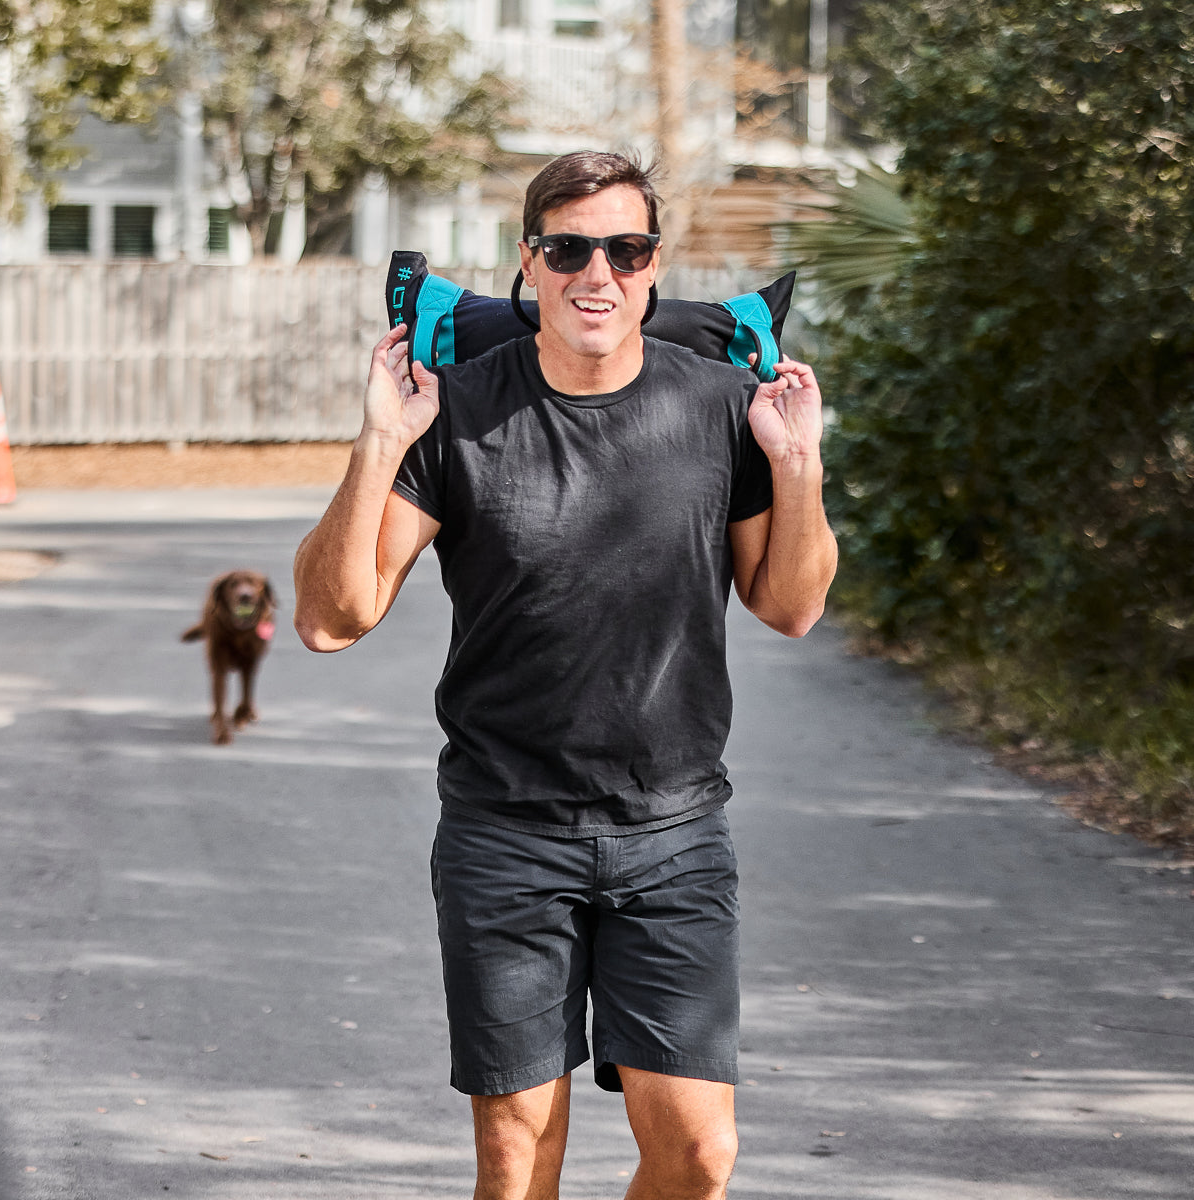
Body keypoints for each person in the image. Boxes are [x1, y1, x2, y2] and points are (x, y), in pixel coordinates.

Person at [293, 149, 837, 1200]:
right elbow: (328, 619)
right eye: (570, 248)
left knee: (699, 1155)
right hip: (506, 834)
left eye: (626, 250)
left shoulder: (724, 406)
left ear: (655, 265)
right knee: (516, 1160)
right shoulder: (454, 412)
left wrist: (796, 462)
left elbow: (792, 605)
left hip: (674, 834)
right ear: (529, 261)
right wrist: (378, 442)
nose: (599, 273)